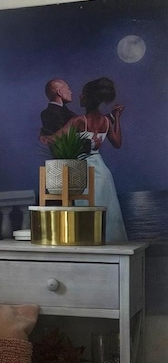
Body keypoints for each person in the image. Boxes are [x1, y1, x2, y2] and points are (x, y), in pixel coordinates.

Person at [56, 77, 128, 243]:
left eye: (82, 94)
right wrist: (116, 117)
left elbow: (54, 139)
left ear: (88, 97)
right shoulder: (106, 121)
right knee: (107, 214)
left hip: (85, 172)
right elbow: (117, 143)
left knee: (86, 212)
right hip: (102, 173)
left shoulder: (79, 120)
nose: (79, 96)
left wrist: (43, 137)